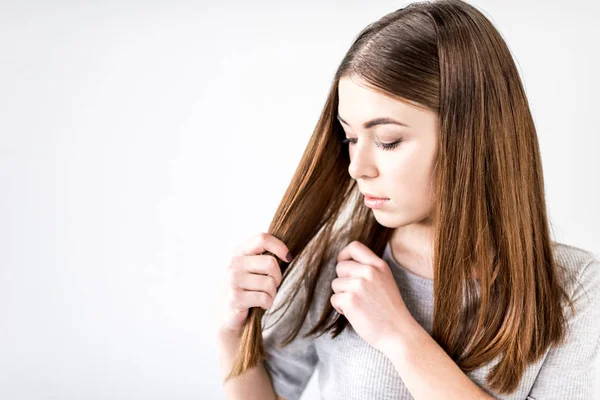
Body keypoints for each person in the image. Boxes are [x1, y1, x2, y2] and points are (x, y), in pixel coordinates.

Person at [216, 0, 600, 399]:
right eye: (350, 138)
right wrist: (231, 333)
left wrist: (400, 336)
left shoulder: (572, 288)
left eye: (387, 140)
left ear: (469, 136)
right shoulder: (334, 264)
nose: (356, 167)